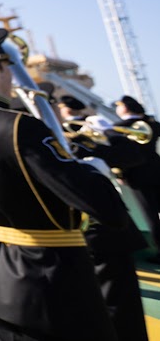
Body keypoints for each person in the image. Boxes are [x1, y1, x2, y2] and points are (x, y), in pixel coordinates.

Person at [0, 28, 132, 341]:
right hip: (50, 279)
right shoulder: (19, 126)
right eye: (8, 68)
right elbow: (104, 207)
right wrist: (96, 171)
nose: (12, 76)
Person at [57, 96, 150, 341]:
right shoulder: (56, 142)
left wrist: (109, 134)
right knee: (112, 307)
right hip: (90, 233)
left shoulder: (80, 137)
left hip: (97, 234)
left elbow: (132, 156)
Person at [110, 94, 160, 262]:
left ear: (124, 107)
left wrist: (119, 173)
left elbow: (117, 155)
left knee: (151, 215)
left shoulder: (117, 128)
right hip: (156, 170)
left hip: (137, 175)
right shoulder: (153, 124)